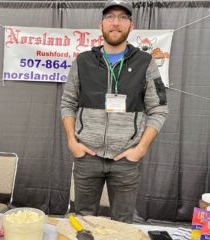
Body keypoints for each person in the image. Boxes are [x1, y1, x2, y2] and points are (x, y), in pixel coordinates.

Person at [61, 0, 168, 223]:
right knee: (83, 221)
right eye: (110, 17)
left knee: (123, 223)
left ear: (131, 25)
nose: (116, 23)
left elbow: (158, 109)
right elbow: (68, 103)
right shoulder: (83, 61)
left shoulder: (146, 62)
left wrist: (140, 149)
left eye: (122, 17)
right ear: (101, 24)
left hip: (126, 159)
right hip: (87, 155)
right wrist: (72, 140)